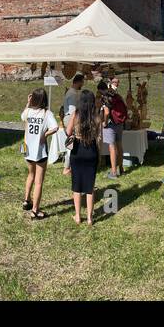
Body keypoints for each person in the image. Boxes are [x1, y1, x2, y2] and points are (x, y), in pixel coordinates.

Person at [66, 89, 103, 226]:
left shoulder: (76, 114)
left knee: (76, 184)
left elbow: (68, 131)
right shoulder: (97, 116)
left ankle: (77, 216)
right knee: (90, 186)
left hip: (77, 149)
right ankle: (89, 218)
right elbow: (99, 137)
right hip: (91, 150)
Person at [21, 88, 58, 220]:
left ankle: (26, 200)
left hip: (28, 149)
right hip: (40, 150)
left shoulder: (29, 111)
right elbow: (55, 127)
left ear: (33, 99)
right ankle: (35, 210)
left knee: (30, 174)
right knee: (39, 182)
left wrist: (27, 103)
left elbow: (22, 117)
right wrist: (45, 134)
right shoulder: (46, 113)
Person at [98, 80, 128, 179]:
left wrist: (105, 122)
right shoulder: (116, 95)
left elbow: (106, 112)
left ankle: (114, 172)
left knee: (112, 147)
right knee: (119, 145)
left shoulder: (105, 97)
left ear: (100, 90)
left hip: (111, 124)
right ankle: (121, 168)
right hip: (119, 123)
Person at [60, 73, 84, 175]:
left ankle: (69, 166)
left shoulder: (71, 92)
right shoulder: (73, 94)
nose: (83, 84)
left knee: (71, 144)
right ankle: (67, 168)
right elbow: (73, 111)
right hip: (71, 118)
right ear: (79, 82)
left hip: (69, 117)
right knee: (71, 143)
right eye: (82, 82)